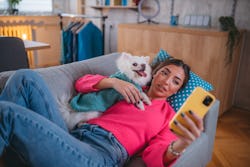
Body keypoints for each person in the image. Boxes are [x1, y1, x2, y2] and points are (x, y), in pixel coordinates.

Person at [0, 58, 204, 167]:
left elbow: (154, 156)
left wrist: (180, 145)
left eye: (175, 81)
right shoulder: (131, 87)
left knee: (6, 112)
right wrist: (114, 82)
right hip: (73, 136)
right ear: (155, 73)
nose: (167, 81)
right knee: (24, 78)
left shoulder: (169, 116)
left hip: (101, 154)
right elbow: (82, 84)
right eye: (165, 72)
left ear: (178, 90)